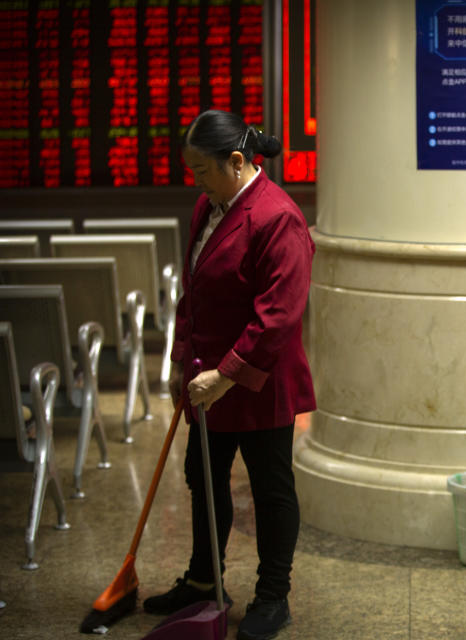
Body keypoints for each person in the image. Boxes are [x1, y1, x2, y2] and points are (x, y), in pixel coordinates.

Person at [143, 109, 316, 640]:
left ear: (236, 161)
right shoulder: (210, 205)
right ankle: (202, 581)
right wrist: (180, 357)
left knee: (270, 489)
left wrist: (226, 375)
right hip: (206, 382)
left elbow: (278, 317)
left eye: (199, 169)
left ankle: (273, 597)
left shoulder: (276, 217)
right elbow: (193, 289)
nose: (192, 179)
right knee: (204, 478)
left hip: (257, 381)